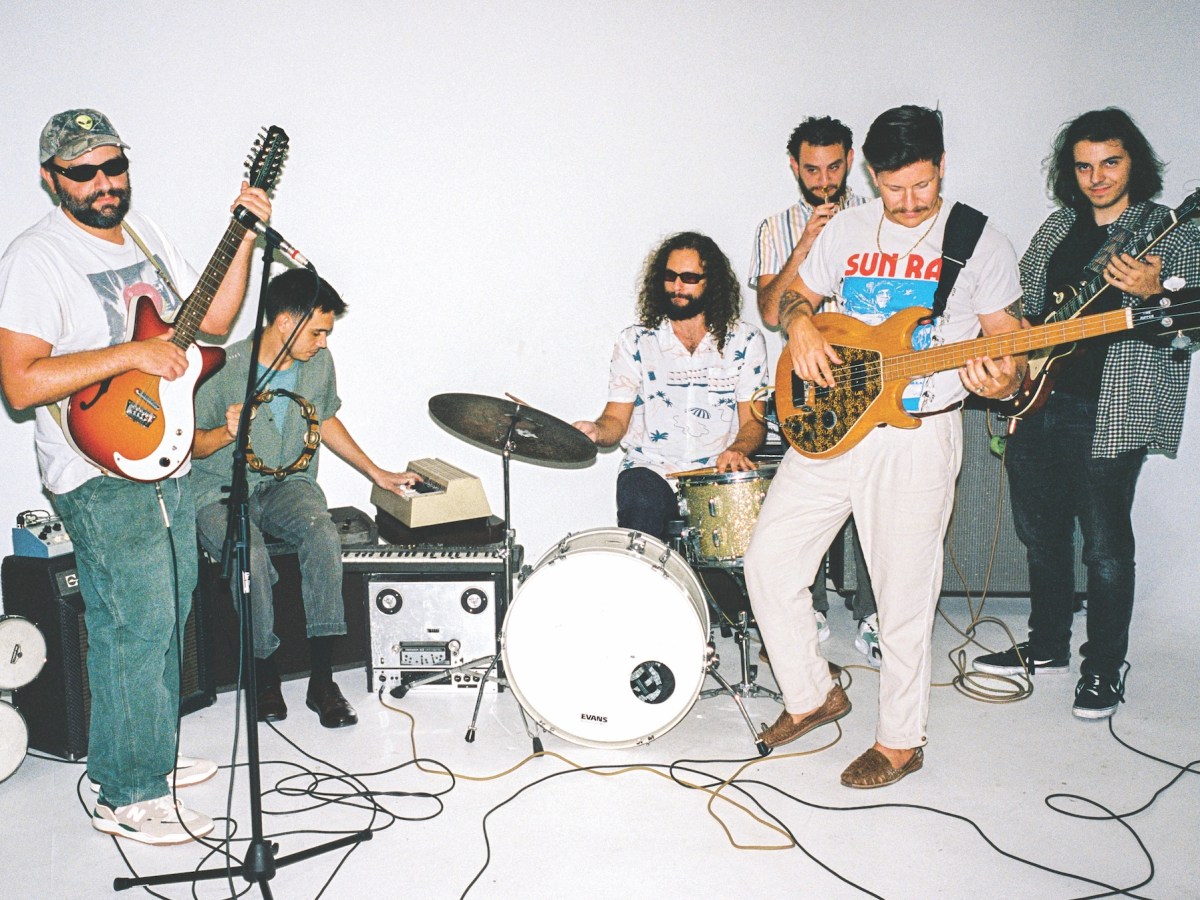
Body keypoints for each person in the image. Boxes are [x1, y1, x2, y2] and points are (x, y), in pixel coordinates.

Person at [0, 109, 271, 843]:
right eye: (82, 171)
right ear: (51, 178)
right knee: (135, 624)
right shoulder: (36, 258)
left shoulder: (143, 233)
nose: (103, 182)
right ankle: (127, 794)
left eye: (113, 165)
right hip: (96, 469)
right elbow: (21, 383)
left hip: (164, 455)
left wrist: (245, 235)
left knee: (164, 614)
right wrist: (130, 356)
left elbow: (212, 322)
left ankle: (136, 755)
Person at [745, 105, 1025, 787]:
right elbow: (793, 300)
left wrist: (1005, 375)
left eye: (921, 185)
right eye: (893, 187)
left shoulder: (978, 239)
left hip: (916, 433)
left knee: (902, 594)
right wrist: (802, 326)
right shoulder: (846, 227)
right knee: (769, 560)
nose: (907, 202)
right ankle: (812, 695)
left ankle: (901, 741)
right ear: (871, 175)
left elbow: (1010, 345)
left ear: (942, 166)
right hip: (835, 423)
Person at [972, 109, 1200, 719]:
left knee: (1104, 546)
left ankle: (1103, 667)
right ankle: (1048, 645)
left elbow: (1193, 324)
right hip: (1038, 398)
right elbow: (1018, 307)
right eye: (1083, 166)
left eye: (1110, 162)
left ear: (1134, 163)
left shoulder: (1169, 230)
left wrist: (1156, 291)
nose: (1097, 177)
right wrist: (1011, 371)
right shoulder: (1057, 226)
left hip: (1113, 407)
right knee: (1040, 534)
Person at [191, 268, 420, 728]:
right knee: (250, 555)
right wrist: (225, 433)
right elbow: (187, 445)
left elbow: (325, 418)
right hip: (218, 489)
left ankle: (322, 679)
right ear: (284, 321)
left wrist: (375, 472)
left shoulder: (318, 364)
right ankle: (264, 674)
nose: (323, 342)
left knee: (322, 535)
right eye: (317, 331)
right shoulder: (222, 367)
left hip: (288, 483)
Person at [748, 115, 880, 664]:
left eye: (833, 167)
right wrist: (806, 244)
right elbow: (769, 311)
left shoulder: (878, 216)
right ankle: (812, 607)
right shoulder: (774, 227)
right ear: (794, 167)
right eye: (811, 170)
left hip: (870, 377)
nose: (824, 180)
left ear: (850, 162)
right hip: (806, 379)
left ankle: (875, 613)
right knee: (808, 500)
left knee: (875, 497)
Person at [573, 231, 767, 542]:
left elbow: (754, 423)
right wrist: (596, 431)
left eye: (689, 278)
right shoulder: (635, 341)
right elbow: (615, 420)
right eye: (670, 276)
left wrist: (738, 450)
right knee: (641, 501)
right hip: (651, 468)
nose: (677, 286)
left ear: (711, 283)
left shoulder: (745, 341)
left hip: (716, 473)